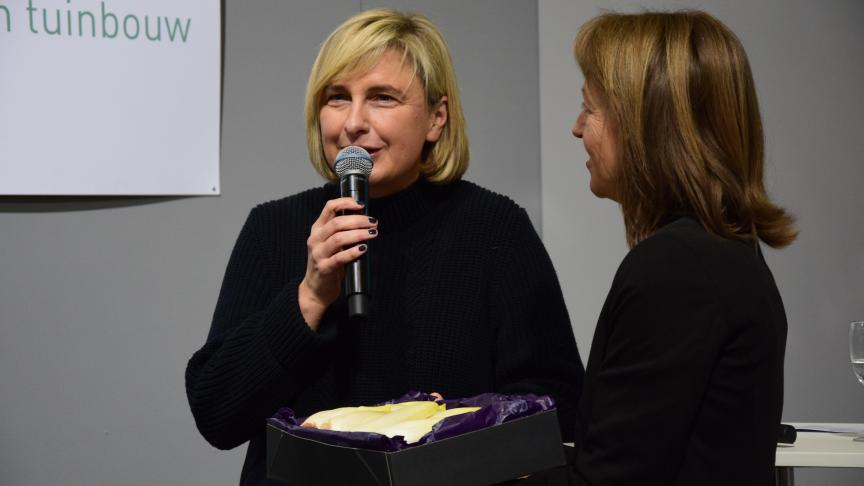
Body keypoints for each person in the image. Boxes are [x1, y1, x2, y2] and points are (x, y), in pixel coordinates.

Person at [185, 9, 584, 485]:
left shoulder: (495, 229)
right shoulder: (274, 228)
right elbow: (217, 415)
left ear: (437, 118)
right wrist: (309, 297)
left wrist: (447, 433)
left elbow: (556, 406)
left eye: (382, 98)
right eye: (337, 98)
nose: (354, 122)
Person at [533, 10, 796, 486]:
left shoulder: (676, 270)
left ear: (644, 125)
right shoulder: (725, 255)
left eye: (590, 108)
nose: (577, 128)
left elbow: (611, 478)